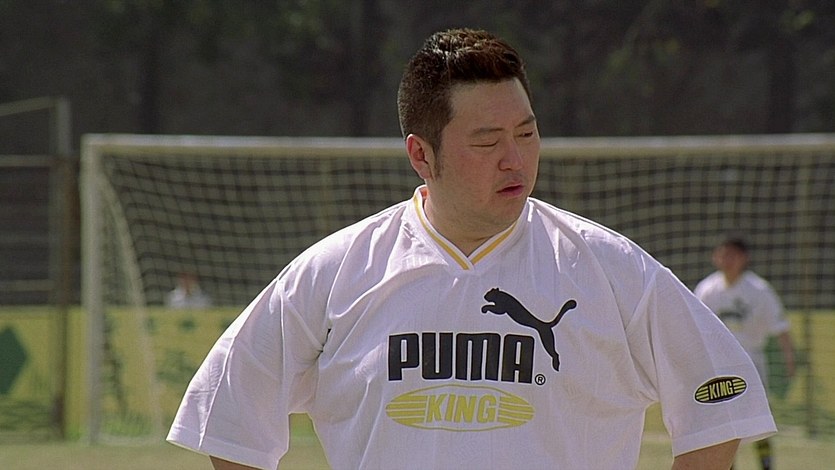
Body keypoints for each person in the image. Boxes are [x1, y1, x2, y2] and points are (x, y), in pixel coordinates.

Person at [167, 28, 776, 469]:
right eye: (486, 142)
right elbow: (228, 416)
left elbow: (720, 399)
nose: (516, 158)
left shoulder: (609, 268)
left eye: (527, 132)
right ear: (421, 154)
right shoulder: (335, 273)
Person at [695, 237, 796, 470]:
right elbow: (694, 327)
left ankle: (766, 465)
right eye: (723, 254)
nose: (727, 260)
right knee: (724, 423)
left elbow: (781, 327)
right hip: (718, 366)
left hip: (752, 363)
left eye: (732, 255)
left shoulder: (759, 290)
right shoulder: (707, 289)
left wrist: (789, 359)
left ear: (744, 258)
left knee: (758, 422)